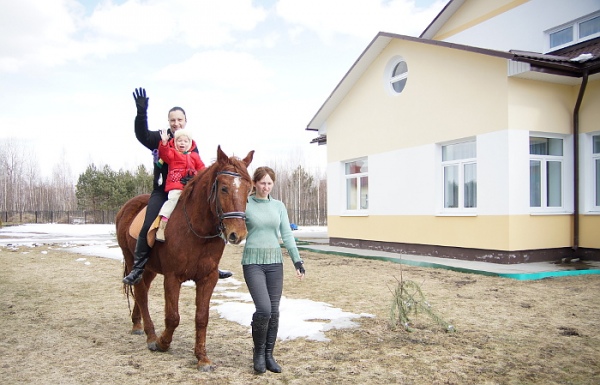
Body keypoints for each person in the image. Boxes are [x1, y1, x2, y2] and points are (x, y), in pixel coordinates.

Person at [123, 87, 232, 285]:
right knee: (148, 225)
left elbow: (200, 168)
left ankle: (212, 264)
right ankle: (139, 266)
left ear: (185, 121)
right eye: (172, 120)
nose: (176, 123)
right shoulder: (161, 138)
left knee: (212, 219)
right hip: (164, 192)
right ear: (168, 121)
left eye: (179, 119)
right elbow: (141, 135)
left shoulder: (190, 142)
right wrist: (141, 113)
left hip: (187, 192)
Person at [242, 166, 306, 374]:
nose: (266, 187)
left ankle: (269, 355)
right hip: (253, 262)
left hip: (275, 263)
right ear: (255, 183)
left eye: (270, 183)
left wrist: (297, 261)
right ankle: (258, 354)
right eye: (262, 183)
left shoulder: (278, 206)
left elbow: (287, 235)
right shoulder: (245, 203)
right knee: (264, 309)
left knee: (275, 311)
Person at [155, 128, 206, 241]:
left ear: (190, 143)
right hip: (176, 185)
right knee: (173, 200)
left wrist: (196, 176)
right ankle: (162, 227)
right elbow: (164, 154)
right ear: (175, 142)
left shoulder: (194, 156)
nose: (182, 143)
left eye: (185, 141)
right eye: (179, 141)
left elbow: (202, 169)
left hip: (191, 185)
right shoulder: (173, 153)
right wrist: (164, 143)